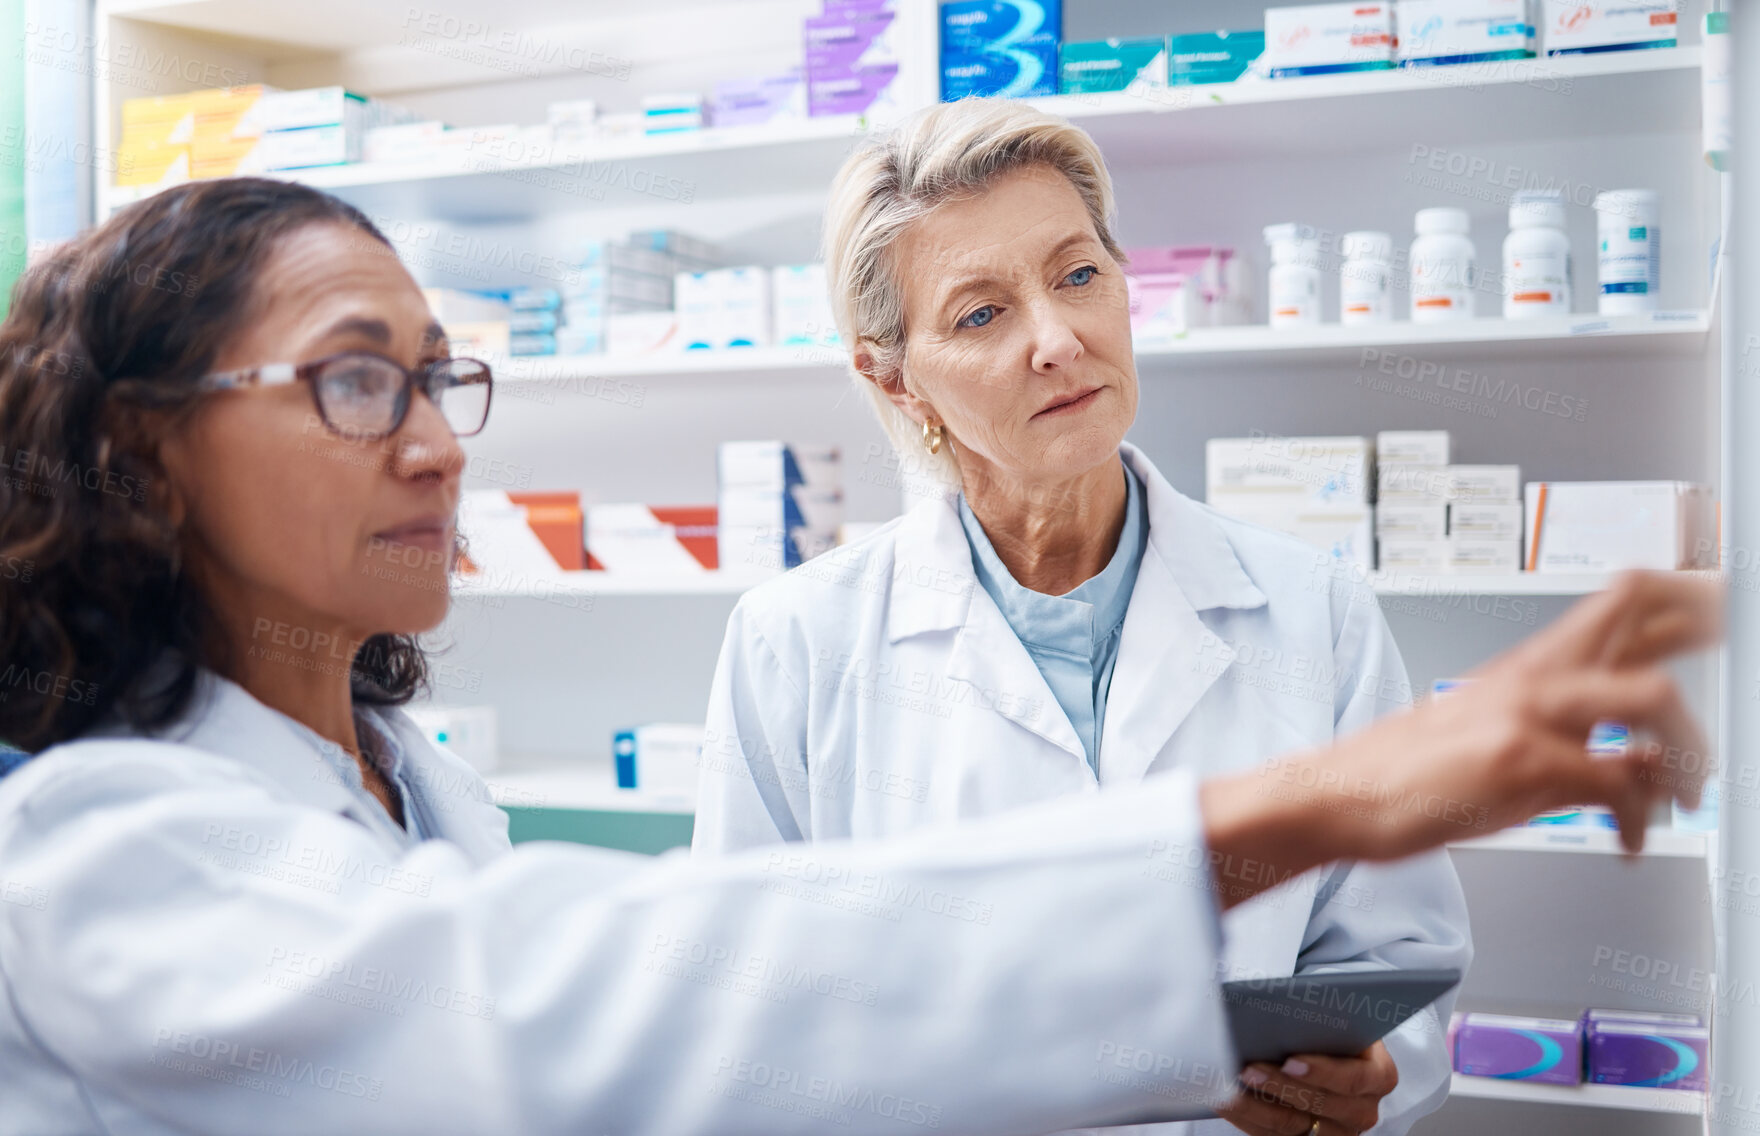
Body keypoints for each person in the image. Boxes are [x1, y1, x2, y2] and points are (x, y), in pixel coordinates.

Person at [0, 176, 1717, 1136]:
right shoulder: (96, 856)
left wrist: (1367, 1068)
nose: (444, 445)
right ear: (141, 450)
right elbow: (691, 991)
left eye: (442, 379)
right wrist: (1307, 803)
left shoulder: (424, 804)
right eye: (356, 376)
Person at [690, 99, 1466, 1136]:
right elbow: (736, 1013)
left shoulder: (1312, 613)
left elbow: (1399, 958)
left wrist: (1364, 1075)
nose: (1057, 338)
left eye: (1077, 275)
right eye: (980, 314)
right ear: (892, 375)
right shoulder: (795, 642)